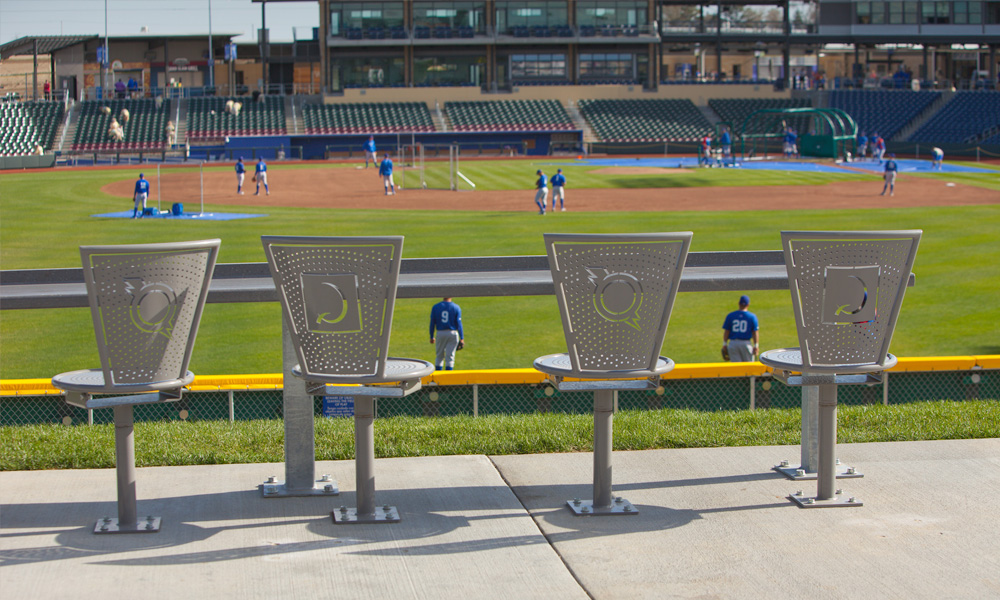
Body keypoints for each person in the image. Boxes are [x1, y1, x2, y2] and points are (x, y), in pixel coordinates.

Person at [429, 297, 464, 371]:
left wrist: (431, 336)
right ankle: (448, 377)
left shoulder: (436, 307)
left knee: (439, 356)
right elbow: (458, 323)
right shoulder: (456, 307)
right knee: (450, 357)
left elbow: (432, 323)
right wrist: (462, 337)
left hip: (440, 333)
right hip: (452, 333)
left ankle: (438, 377)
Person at [722, 295, 759, 362]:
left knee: (736, 369)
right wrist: (756, 345)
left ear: (739, 303)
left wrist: (724, 344)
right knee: (749, 368)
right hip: (746, 344)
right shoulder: (752, 317)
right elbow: (755, 332)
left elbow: (727, 331)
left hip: (733, 344)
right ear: (748, 304)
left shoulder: (731, 315)